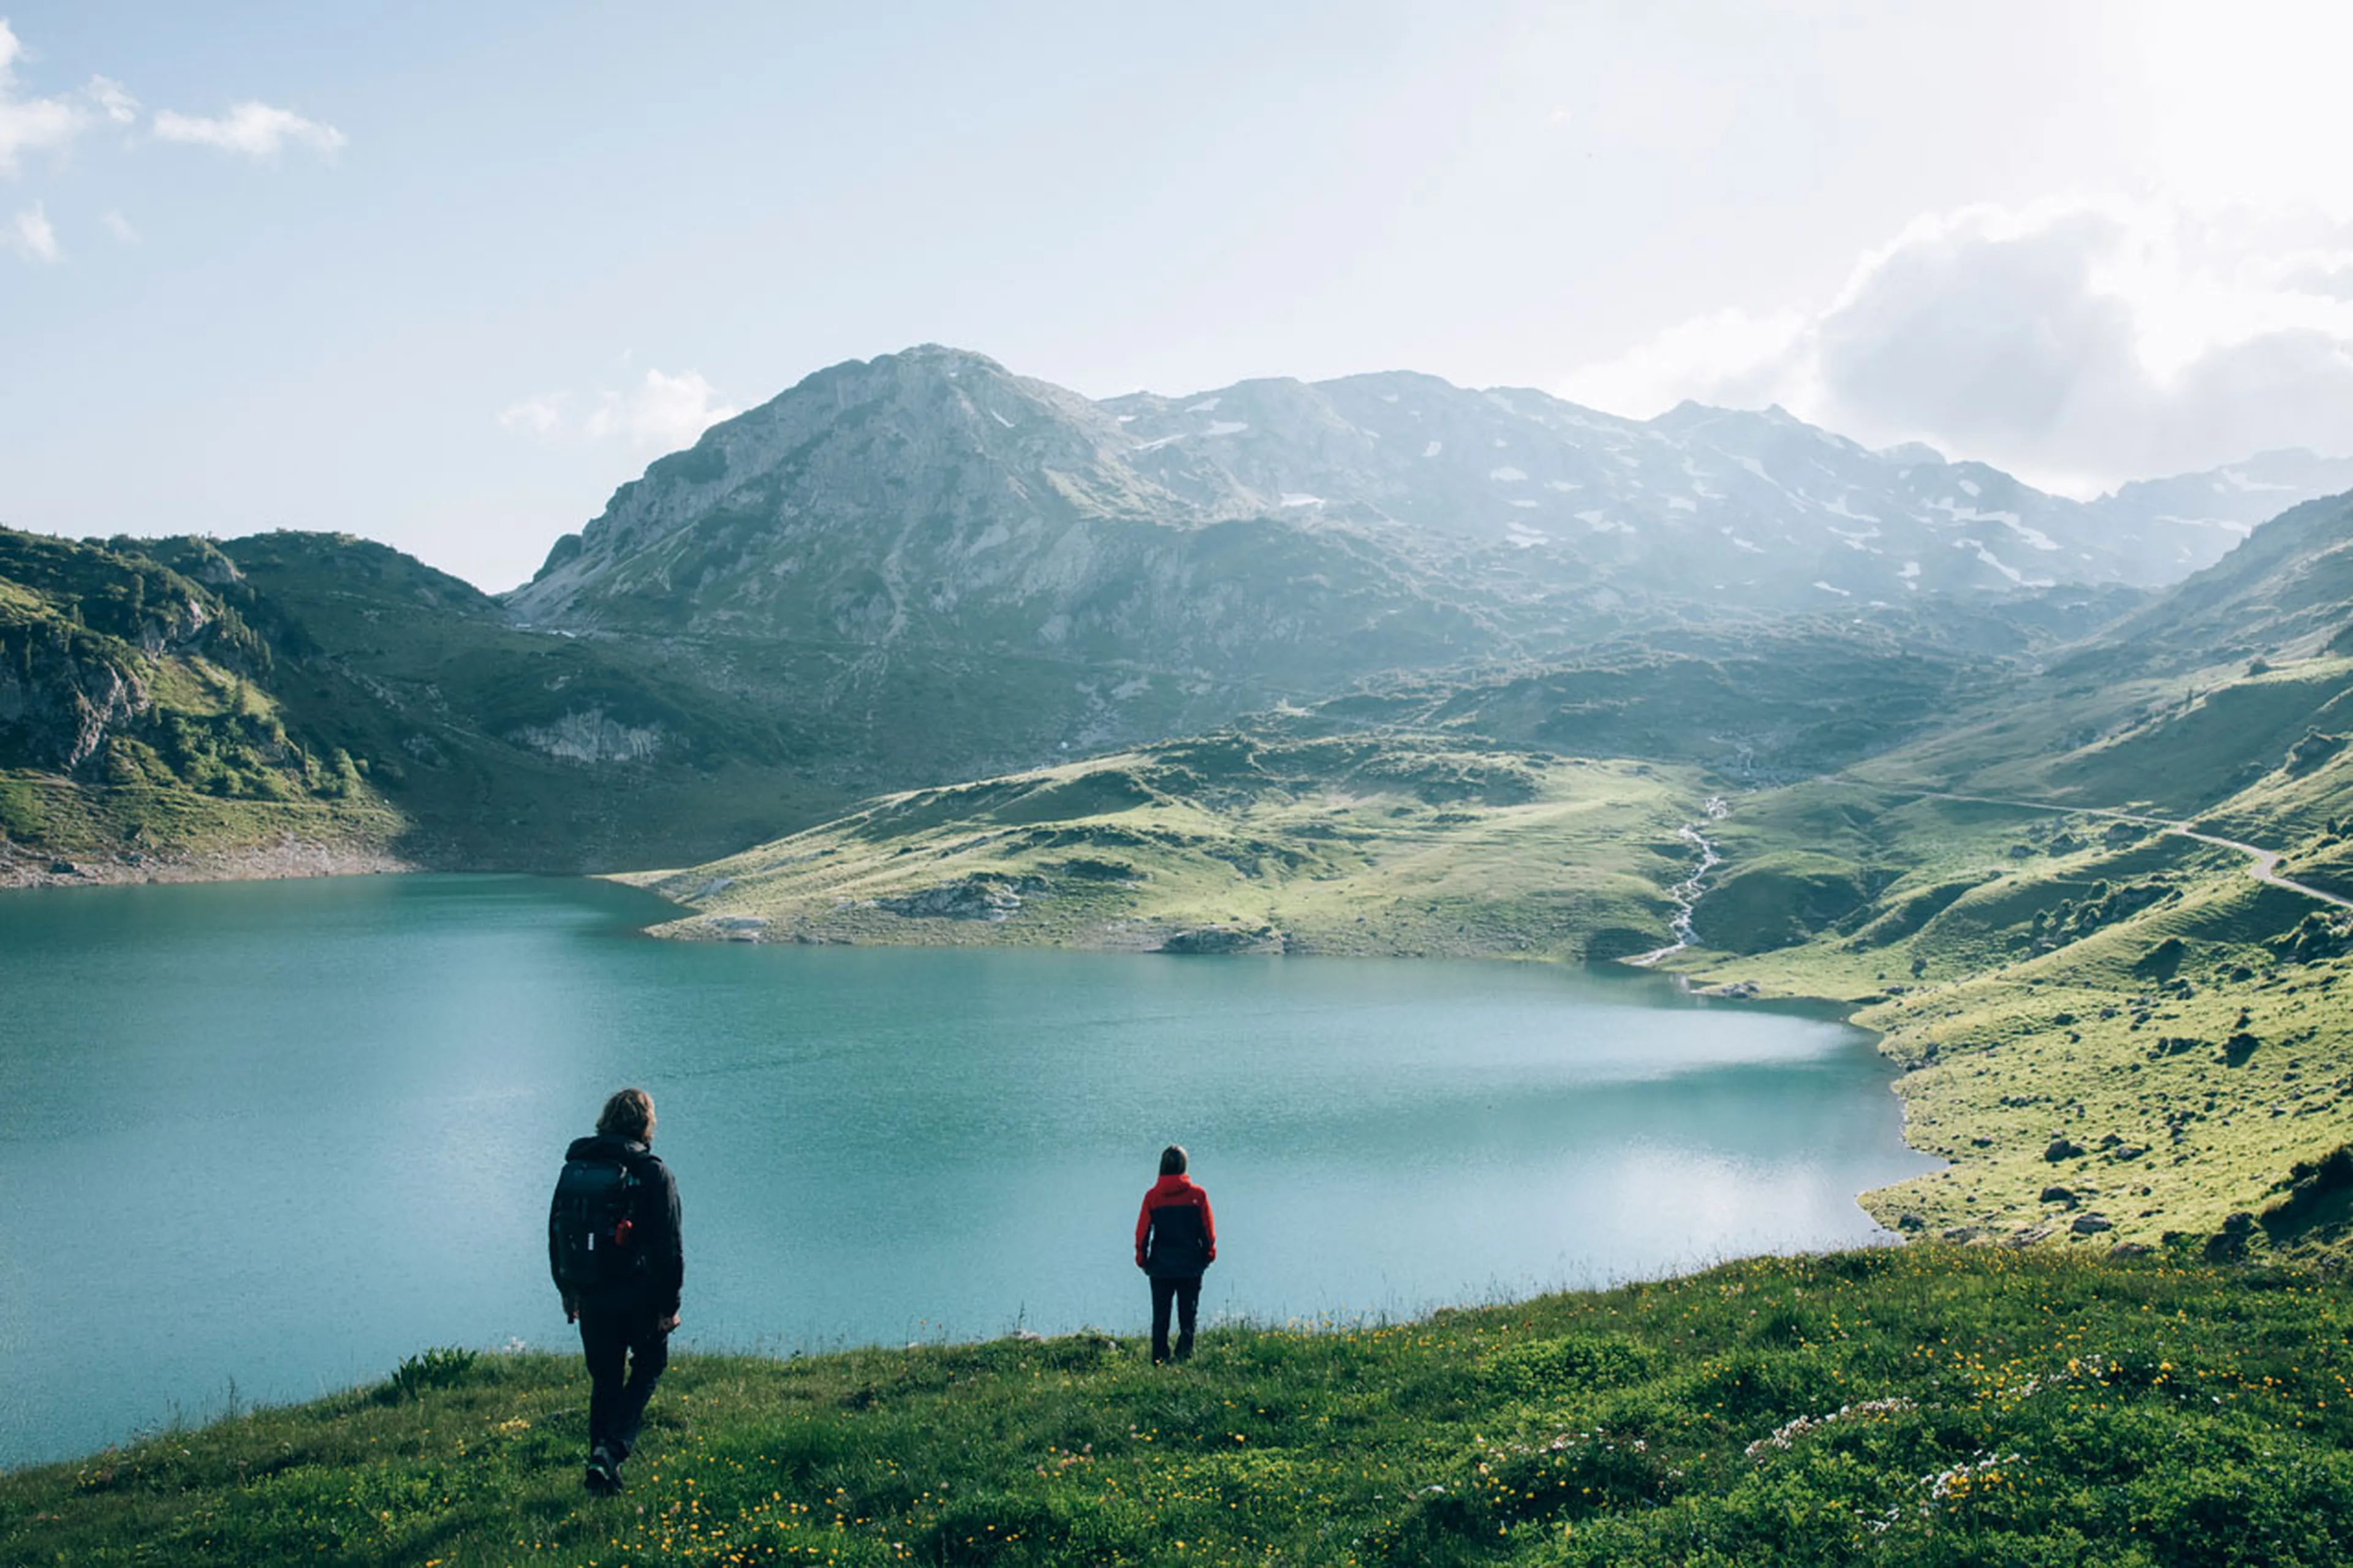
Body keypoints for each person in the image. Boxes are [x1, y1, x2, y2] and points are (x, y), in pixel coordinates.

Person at [548, 1087, 683, 1496]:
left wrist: (567, 1289)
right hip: (638, 1295)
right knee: (649, 1365)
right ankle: (611, 1450)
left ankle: (600, 1478)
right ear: (645, 1124)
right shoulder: (652, 1171)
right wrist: (669, 1305)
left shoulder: (577, 1167)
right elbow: (669, 1247)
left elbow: (557, 1231)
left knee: (605, 1381)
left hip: (591, 1294)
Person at [1134, 1143, 1216, 1364]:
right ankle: (1184, 1355)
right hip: (1191, 1264)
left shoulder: (1153, 1197)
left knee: (1161, 1315)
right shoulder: (1198, 1195)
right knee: (1188, 1314)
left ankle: (1159, 1358)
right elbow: (1207, 1229)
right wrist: (1209, 1254)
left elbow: (1142, 1233)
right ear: (1184, 1166)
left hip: (1161, 1266)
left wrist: (1142, 1260)